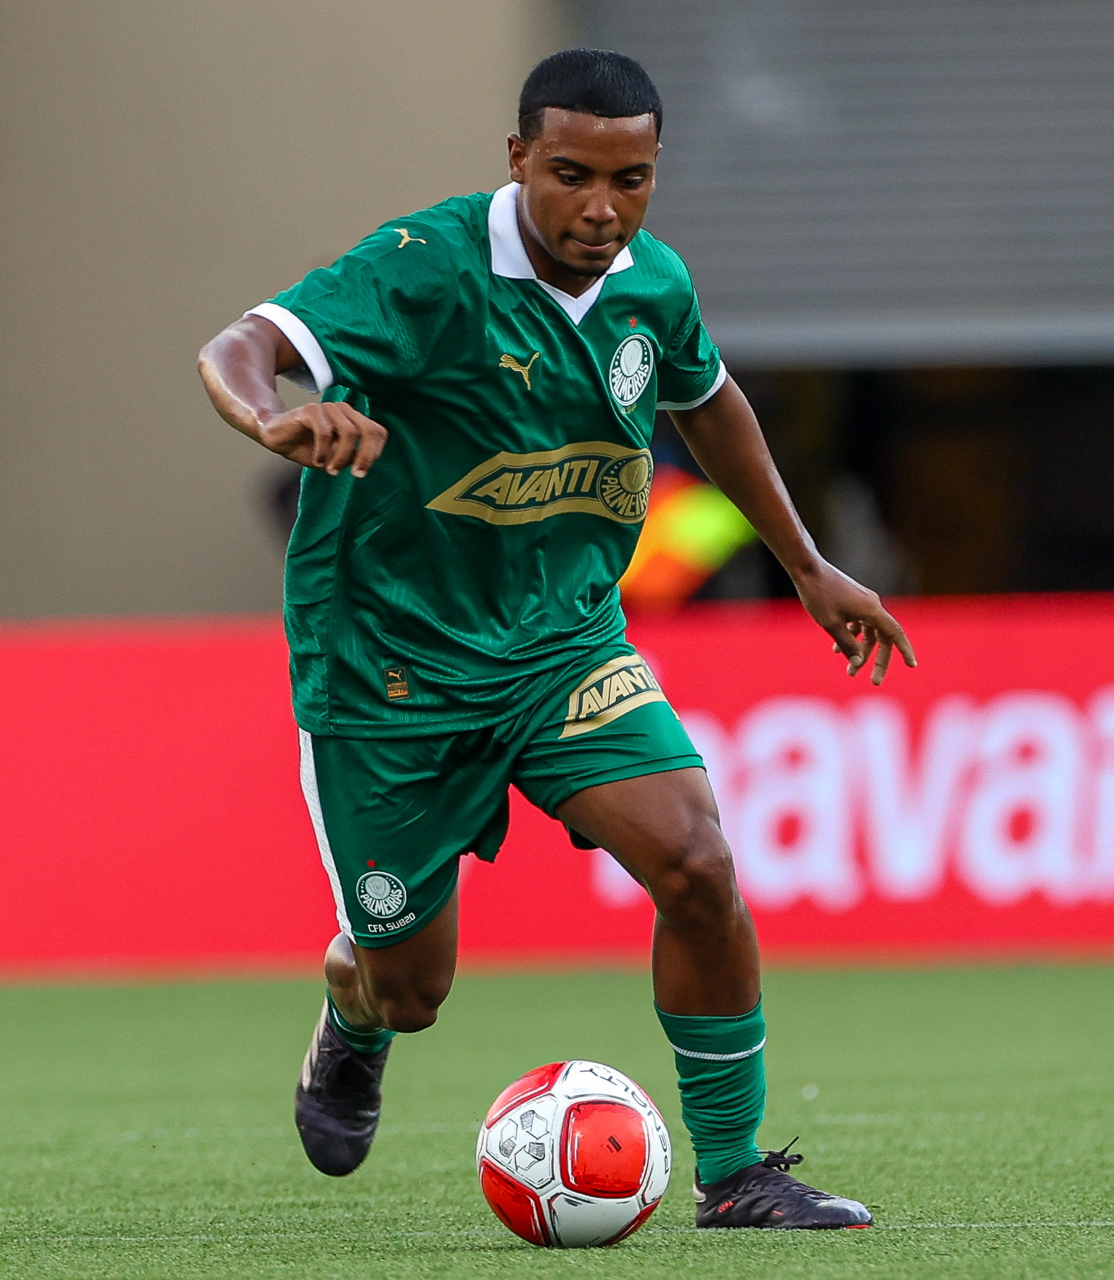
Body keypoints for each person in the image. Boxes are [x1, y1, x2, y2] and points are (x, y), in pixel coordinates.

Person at [198, 48, 915, 1230]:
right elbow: (236, 347)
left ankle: (736, 1172)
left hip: (562, 644)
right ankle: (354, 1005)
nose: (601, 208)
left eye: (631, 180)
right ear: (519, 158)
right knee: (413, 986)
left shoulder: (652, 284)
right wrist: (273, 414)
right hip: (390, 670)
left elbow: (709, 400)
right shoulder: (422, 266)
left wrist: (807, 564)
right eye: (572, 174)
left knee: (698, 863)